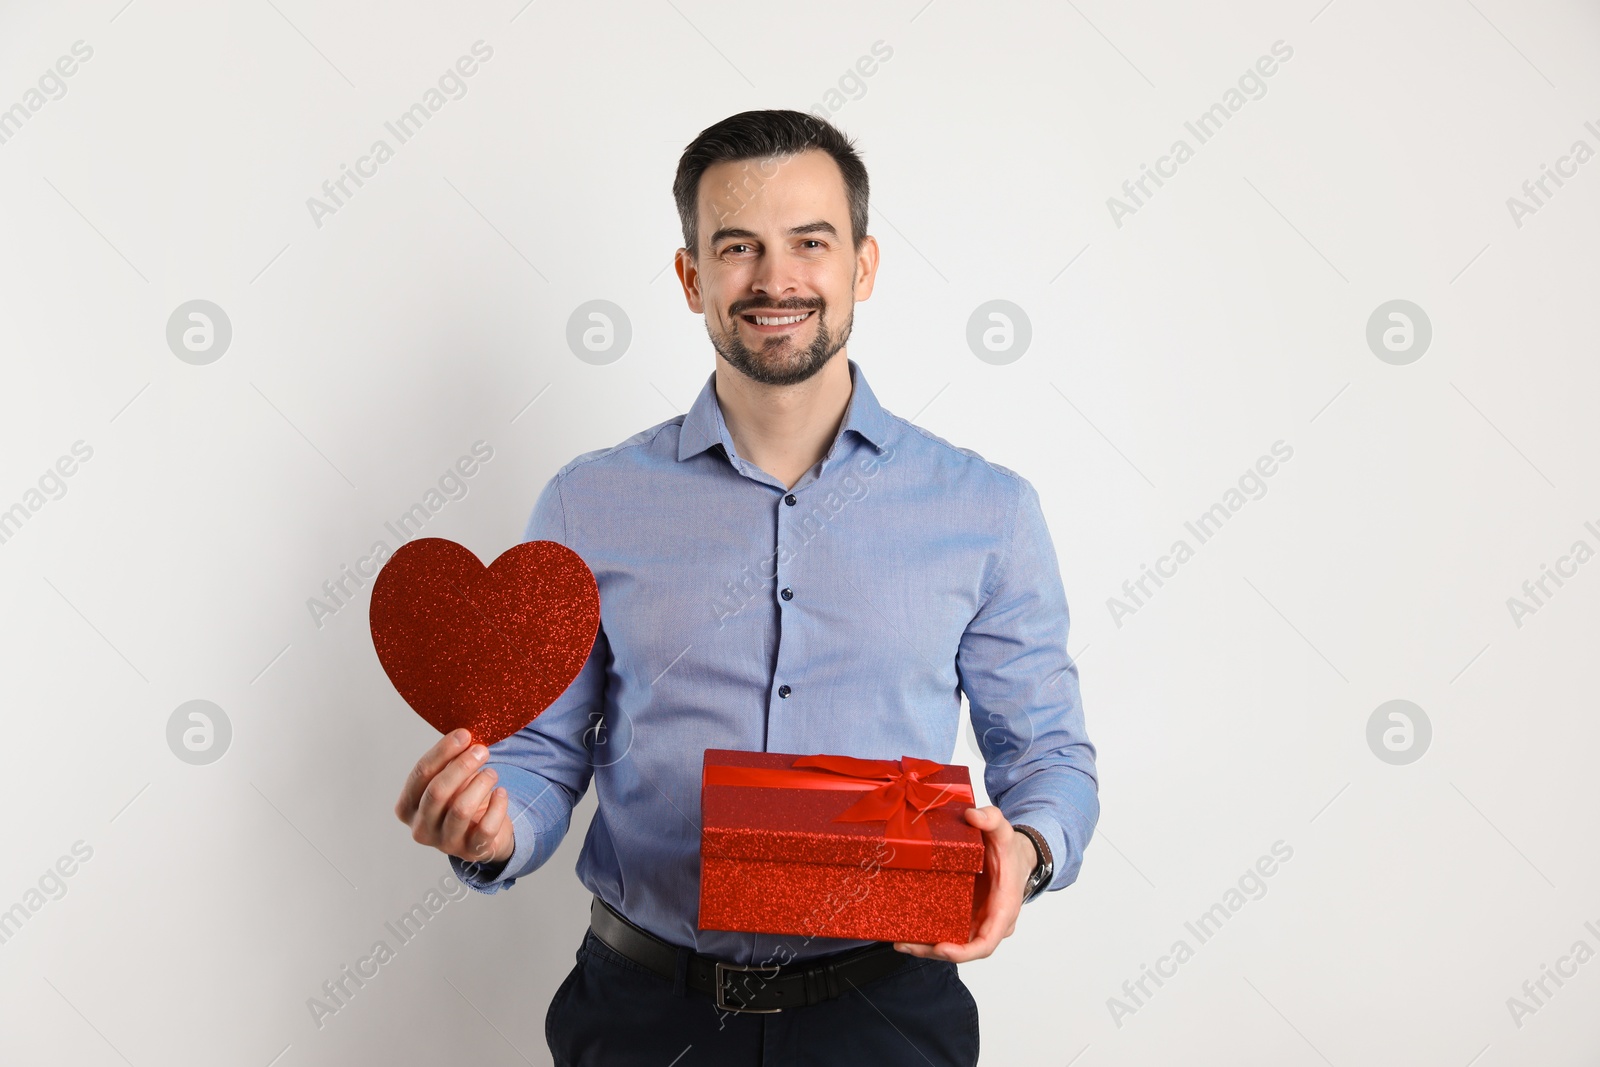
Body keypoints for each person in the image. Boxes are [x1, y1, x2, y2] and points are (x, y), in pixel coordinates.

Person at [394, 109, 1098, 1066]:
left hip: (888, 1016)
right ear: (692, 278)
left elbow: (1048, 753)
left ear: (865, 265)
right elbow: (544, 754)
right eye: (738, 247)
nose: (777, 280)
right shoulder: (588, 501)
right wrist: (488, 827)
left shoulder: (989, 510)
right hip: (644, 1016)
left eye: (811, 242)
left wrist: (1027, 850)